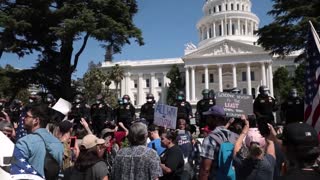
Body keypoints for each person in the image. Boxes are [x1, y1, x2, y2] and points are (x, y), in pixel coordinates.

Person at [11, 103, 64, 178]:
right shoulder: (58, 143)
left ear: (36, 120)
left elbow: (15, 169)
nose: (23, 118)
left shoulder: (24, 142)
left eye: (27, 116)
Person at [198, 105, 239, 180]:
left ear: (216, 119)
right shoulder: (235, 137)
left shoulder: (210, 139)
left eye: (209, 117)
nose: (207, 120)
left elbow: (205, 170)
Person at [232, 115, 276, 180]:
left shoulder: (241, 163)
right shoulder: (269, 162)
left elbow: (236, 147)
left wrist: (245, 129)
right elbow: (270, 143)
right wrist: (269, 131)